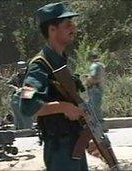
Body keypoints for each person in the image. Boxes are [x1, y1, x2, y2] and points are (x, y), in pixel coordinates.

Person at [19, 2, 88, 170]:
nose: (73, 27)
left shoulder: (60, 62)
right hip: (60, 149)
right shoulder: (39, 66)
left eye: (73, 23)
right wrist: (63, 107)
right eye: (67, 24)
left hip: (74, 144)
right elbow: (27, 106)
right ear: (52, 29)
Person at [7, 61, 33, 129]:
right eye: (21, 69)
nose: (23, 70)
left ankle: (28, 128)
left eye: (24, 69)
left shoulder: (28, 76)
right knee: (18, 114)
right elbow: (8, 84)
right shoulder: (15, 77)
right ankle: (20, 128)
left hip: (26, 95)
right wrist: (15, 88)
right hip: (17, 97)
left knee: (26, 114)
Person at [83, 51, 106, 125]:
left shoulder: (94, 66)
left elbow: (94, 77)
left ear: (91, 58)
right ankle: (101, 125)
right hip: (99, 88)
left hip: (94, 88)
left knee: (94, 108)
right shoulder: (101, 65)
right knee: (97, 107)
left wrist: (87, 79)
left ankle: (98, 125)